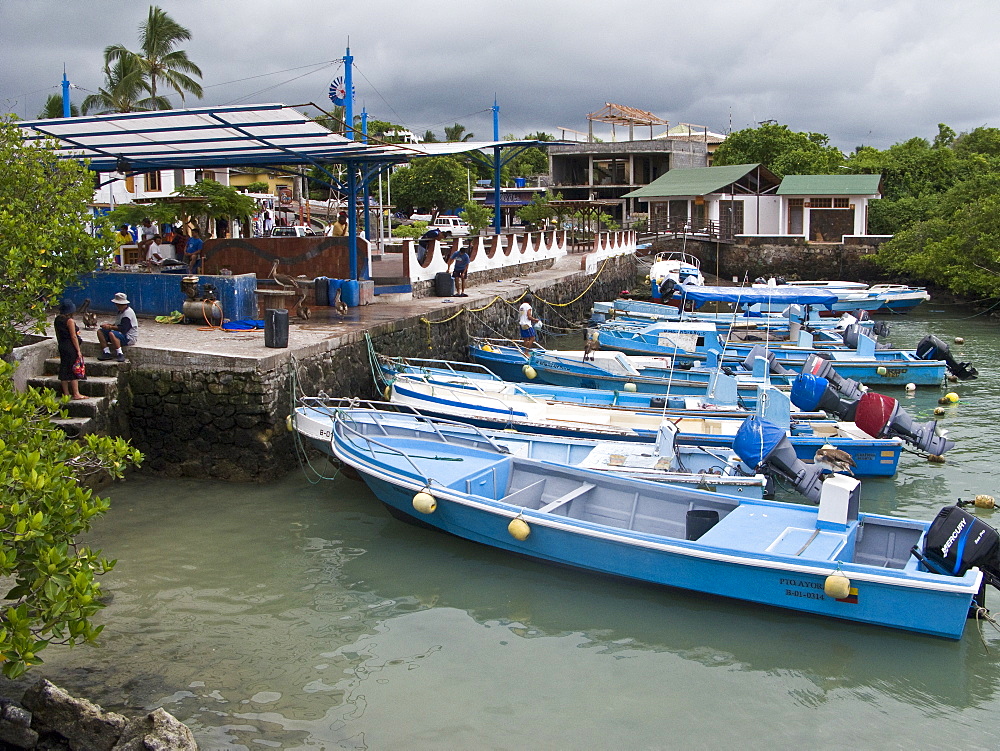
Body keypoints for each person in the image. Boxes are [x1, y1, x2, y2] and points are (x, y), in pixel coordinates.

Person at [54, 299, 87, 400]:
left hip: (62, 345)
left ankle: (66, 393)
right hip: (70, 346)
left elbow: (57, 334)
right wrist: (78, 350)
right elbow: (73, 336)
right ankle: (76, 393)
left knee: (64, 367)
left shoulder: (57, 320)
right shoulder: (70, 321)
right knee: (73, 368)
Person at [97, 293, 138, 362]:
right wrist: (109, 325)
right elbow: (118, 324)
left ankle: (120, 353)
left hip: (129, 337)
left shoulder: (127, 314)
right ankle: (106, 352)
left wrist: (110, 327)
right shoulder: (121, 312)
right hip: (121, 334)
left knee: (112, 334)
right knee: (100, 331)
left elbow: (123, 329)